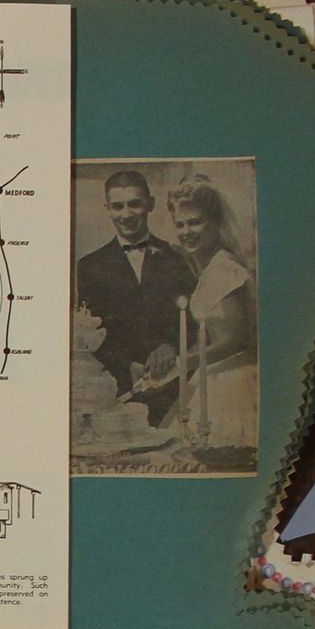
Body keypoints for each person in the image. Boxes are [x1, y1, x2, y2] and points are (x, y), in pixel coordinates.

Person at [74, 169, 197, 423]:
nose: (126, 214)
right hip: (118, 390)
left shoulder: (177, 258)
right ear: (107, 209)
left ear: (150, 204)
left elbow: (195, 320)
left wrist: (170, 346)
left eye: (135, 204)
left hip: (176, 387)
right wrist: (126, 364)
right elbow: (90, 332)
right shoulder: (90, 266)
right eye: (118, 206)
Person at [168, 174, 259, 452]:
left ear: (216, 222)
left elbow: (235, 340)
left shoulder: (224, 269)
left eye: (195, 222)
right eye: (180, 224)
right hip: (213, 374)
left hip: (231, 380)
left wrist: (183, 362)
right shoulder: (211, 268)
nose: (186, 232)